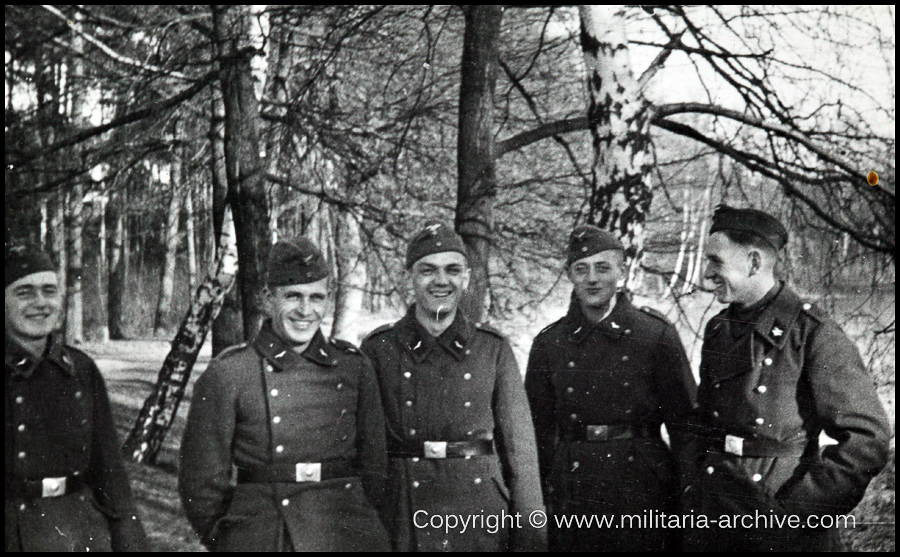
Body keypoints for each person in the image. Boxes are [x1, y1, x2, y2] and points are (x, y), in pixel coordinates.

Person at [682, 204, 891, 551]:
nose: (706, 274)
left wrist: (800, 511)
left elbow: (867, 439)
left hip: (782, 520)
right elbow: (702, 421)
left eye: (716, 262)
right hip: (717, 513)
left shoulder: (813, 333)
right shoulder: (719, 329)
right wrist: (694, 482)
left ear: (753, 262)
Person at [179, 237, 390, 552]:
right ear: (267, 300)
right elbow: (201, 484)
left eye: (316, 298)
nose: (306, 311)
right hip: (266, 535)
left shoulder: (354, 368)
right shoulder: (230, 373)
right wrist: (235, 539)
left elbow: (375, 469)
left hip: (346, 532)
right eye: (293, 297)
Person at [360, 221, 546, 552]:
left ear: (467, 278)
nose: (441, 281)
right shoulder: (379, 349)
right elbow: (366, 450)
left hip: (478, 511)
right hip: (403, 511)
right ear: (409, 278)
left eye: (452, 270)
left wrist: (532, 534)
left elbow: (521, 452)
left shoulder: (492, 348)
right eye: (427, 270)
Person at [524, 225, 697, 551]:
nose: (592, 279)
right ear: (569, 274)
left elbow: (686, 428)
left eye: (603, 268)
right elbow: (537, 433)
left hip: (643, 485)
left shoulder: (654, 335)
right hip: (574, 488)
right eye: (581, 269)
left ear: (622, 270)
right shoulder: (549, 344)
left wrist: (688, 499)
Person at [5, 244, 148, 552]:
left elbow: (109, 468)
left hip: (76, 532)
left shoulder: (80, 370)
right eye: (24, 292)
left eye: (49, 291)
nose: (41, 303)